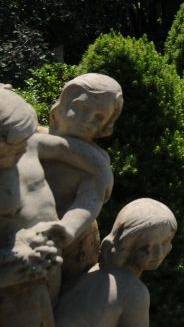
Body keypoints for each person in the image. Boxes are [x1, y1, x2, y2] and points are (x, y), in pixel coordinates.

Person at [0, 86, 111, 326]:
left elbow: (64, 148)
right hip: (13, 295)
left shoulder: (24, 144)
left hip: (46, 275)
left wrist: (101, 169)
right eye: (12, 149)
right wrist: (9, 271)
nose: (26, 146)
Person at [43, 74, 121, 285]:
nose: (87, 120)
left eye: (98, 117)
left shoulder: (93, 166)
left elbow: (89, 201)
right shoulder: (28, 135)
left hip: (63, 248)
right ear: (60, 105)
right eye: (81, 108)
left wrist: (66, 229)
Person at [55, 199, 177, 327]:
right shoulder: (133, 292)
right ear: (127, 245)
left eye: (166, 241)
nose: (158, 253)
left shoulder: (92, 272)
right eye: (145, 247)